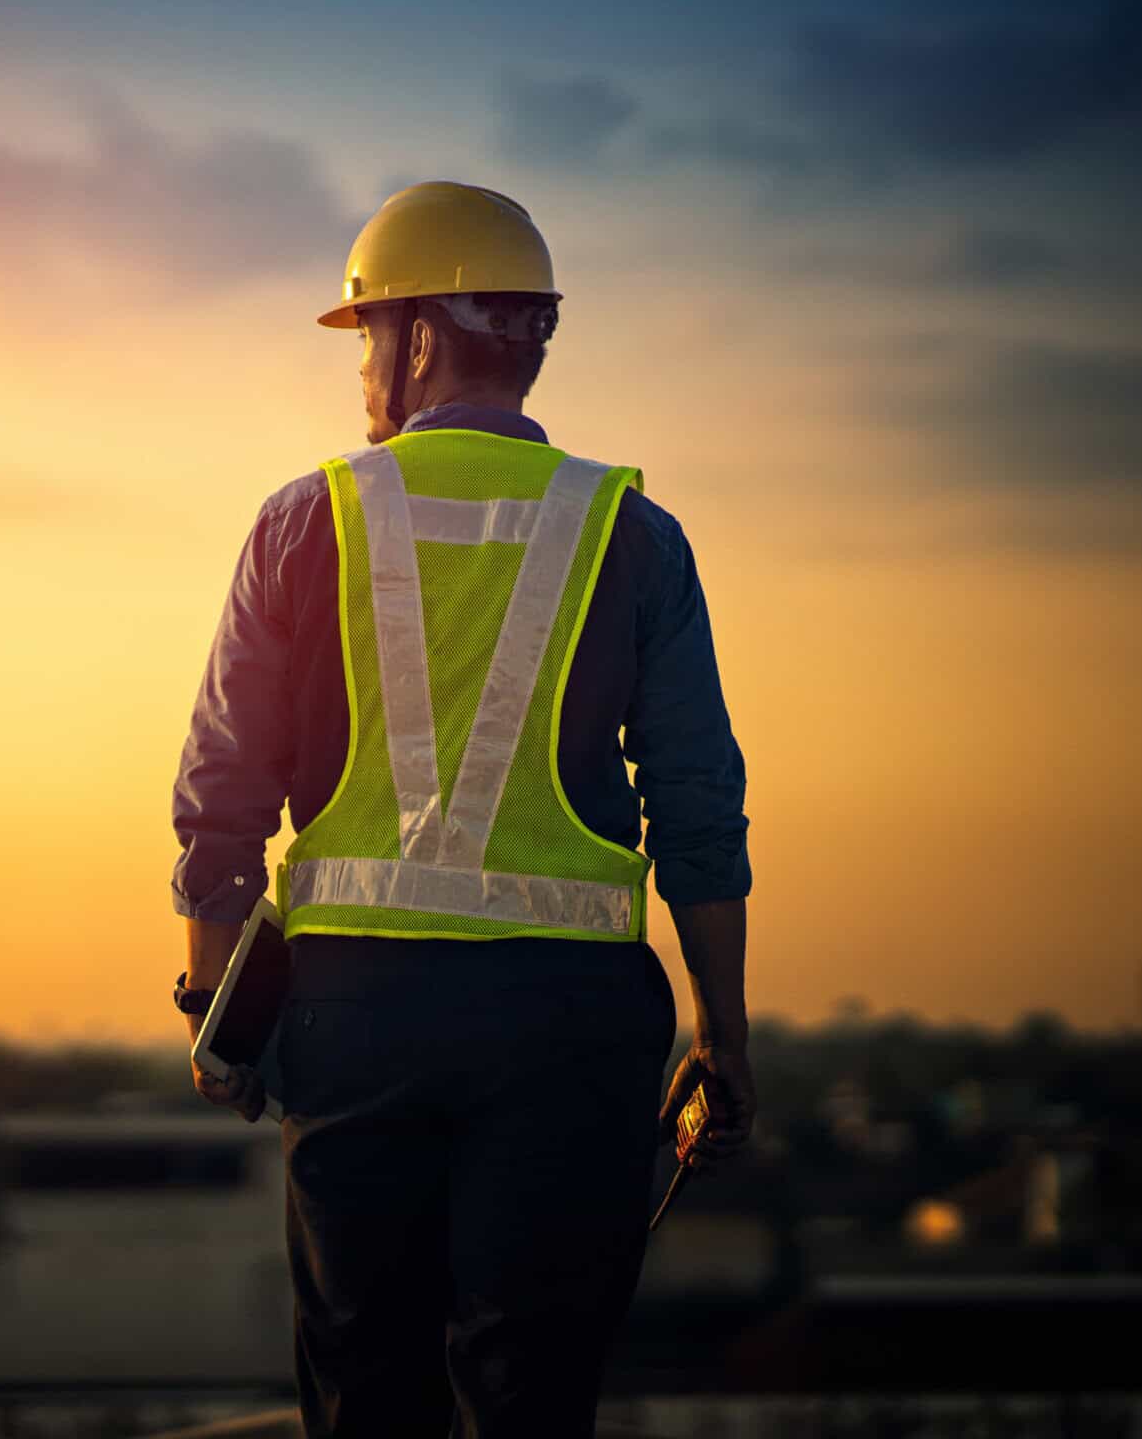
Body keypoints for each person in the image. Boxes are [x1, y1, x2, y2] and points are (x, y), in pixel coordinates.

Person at [169, 181, 756, 1437]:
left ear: (422, 335)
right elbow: (697, 802)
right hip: (569, 1026)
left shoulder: (301, 521)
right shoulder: (632, 534)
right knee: (531, 1393)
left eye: (369, 335)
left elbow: (223, 784)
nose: (364, 370)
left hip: (354, 1018)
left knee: (366, 1383)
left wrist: (211, 993)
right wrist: (725, 1034)